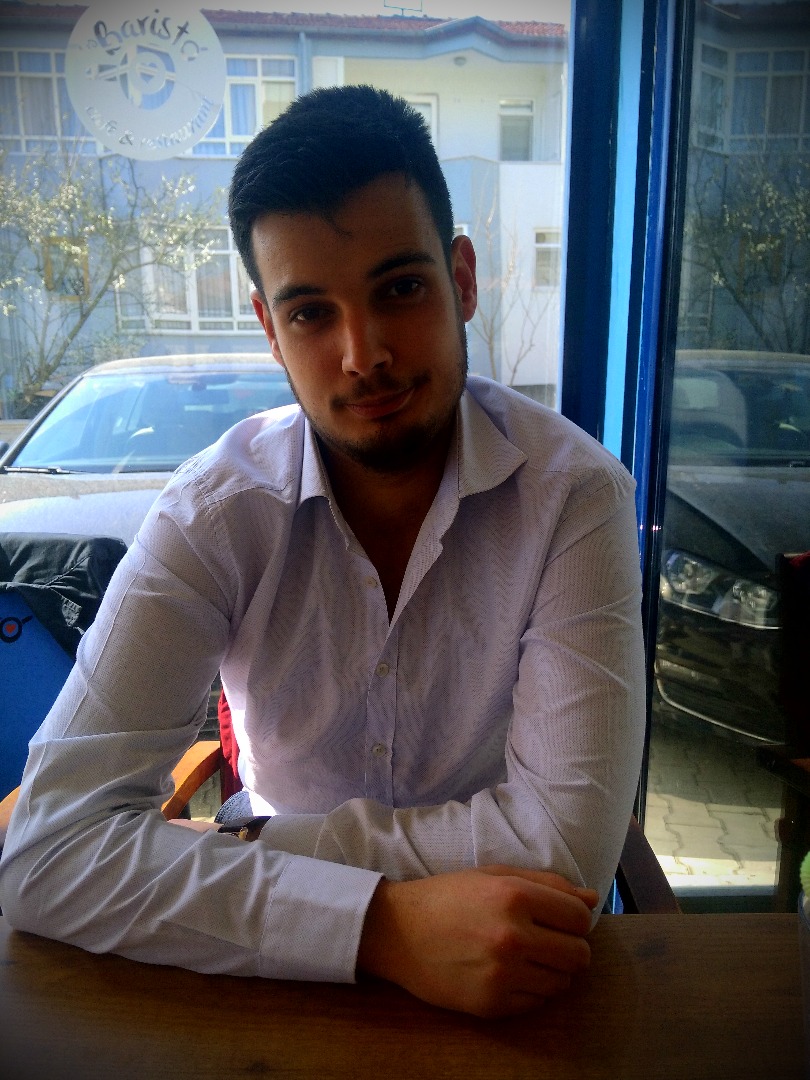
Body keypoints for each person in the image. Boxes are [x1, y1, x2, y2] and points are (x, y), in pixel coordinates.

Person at [0, 85, 645, 1019]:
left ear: (462, 279)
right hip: (280, 991)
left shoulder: (575, 495)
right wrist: (380, 926)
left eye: (400, 289)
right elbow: (47, 854)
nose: (363, 354)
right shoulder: (215, 512)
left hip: (516, 960)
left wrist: (257, 847)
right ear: (270, 329)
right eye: (310, 313)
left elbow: (564, 850)